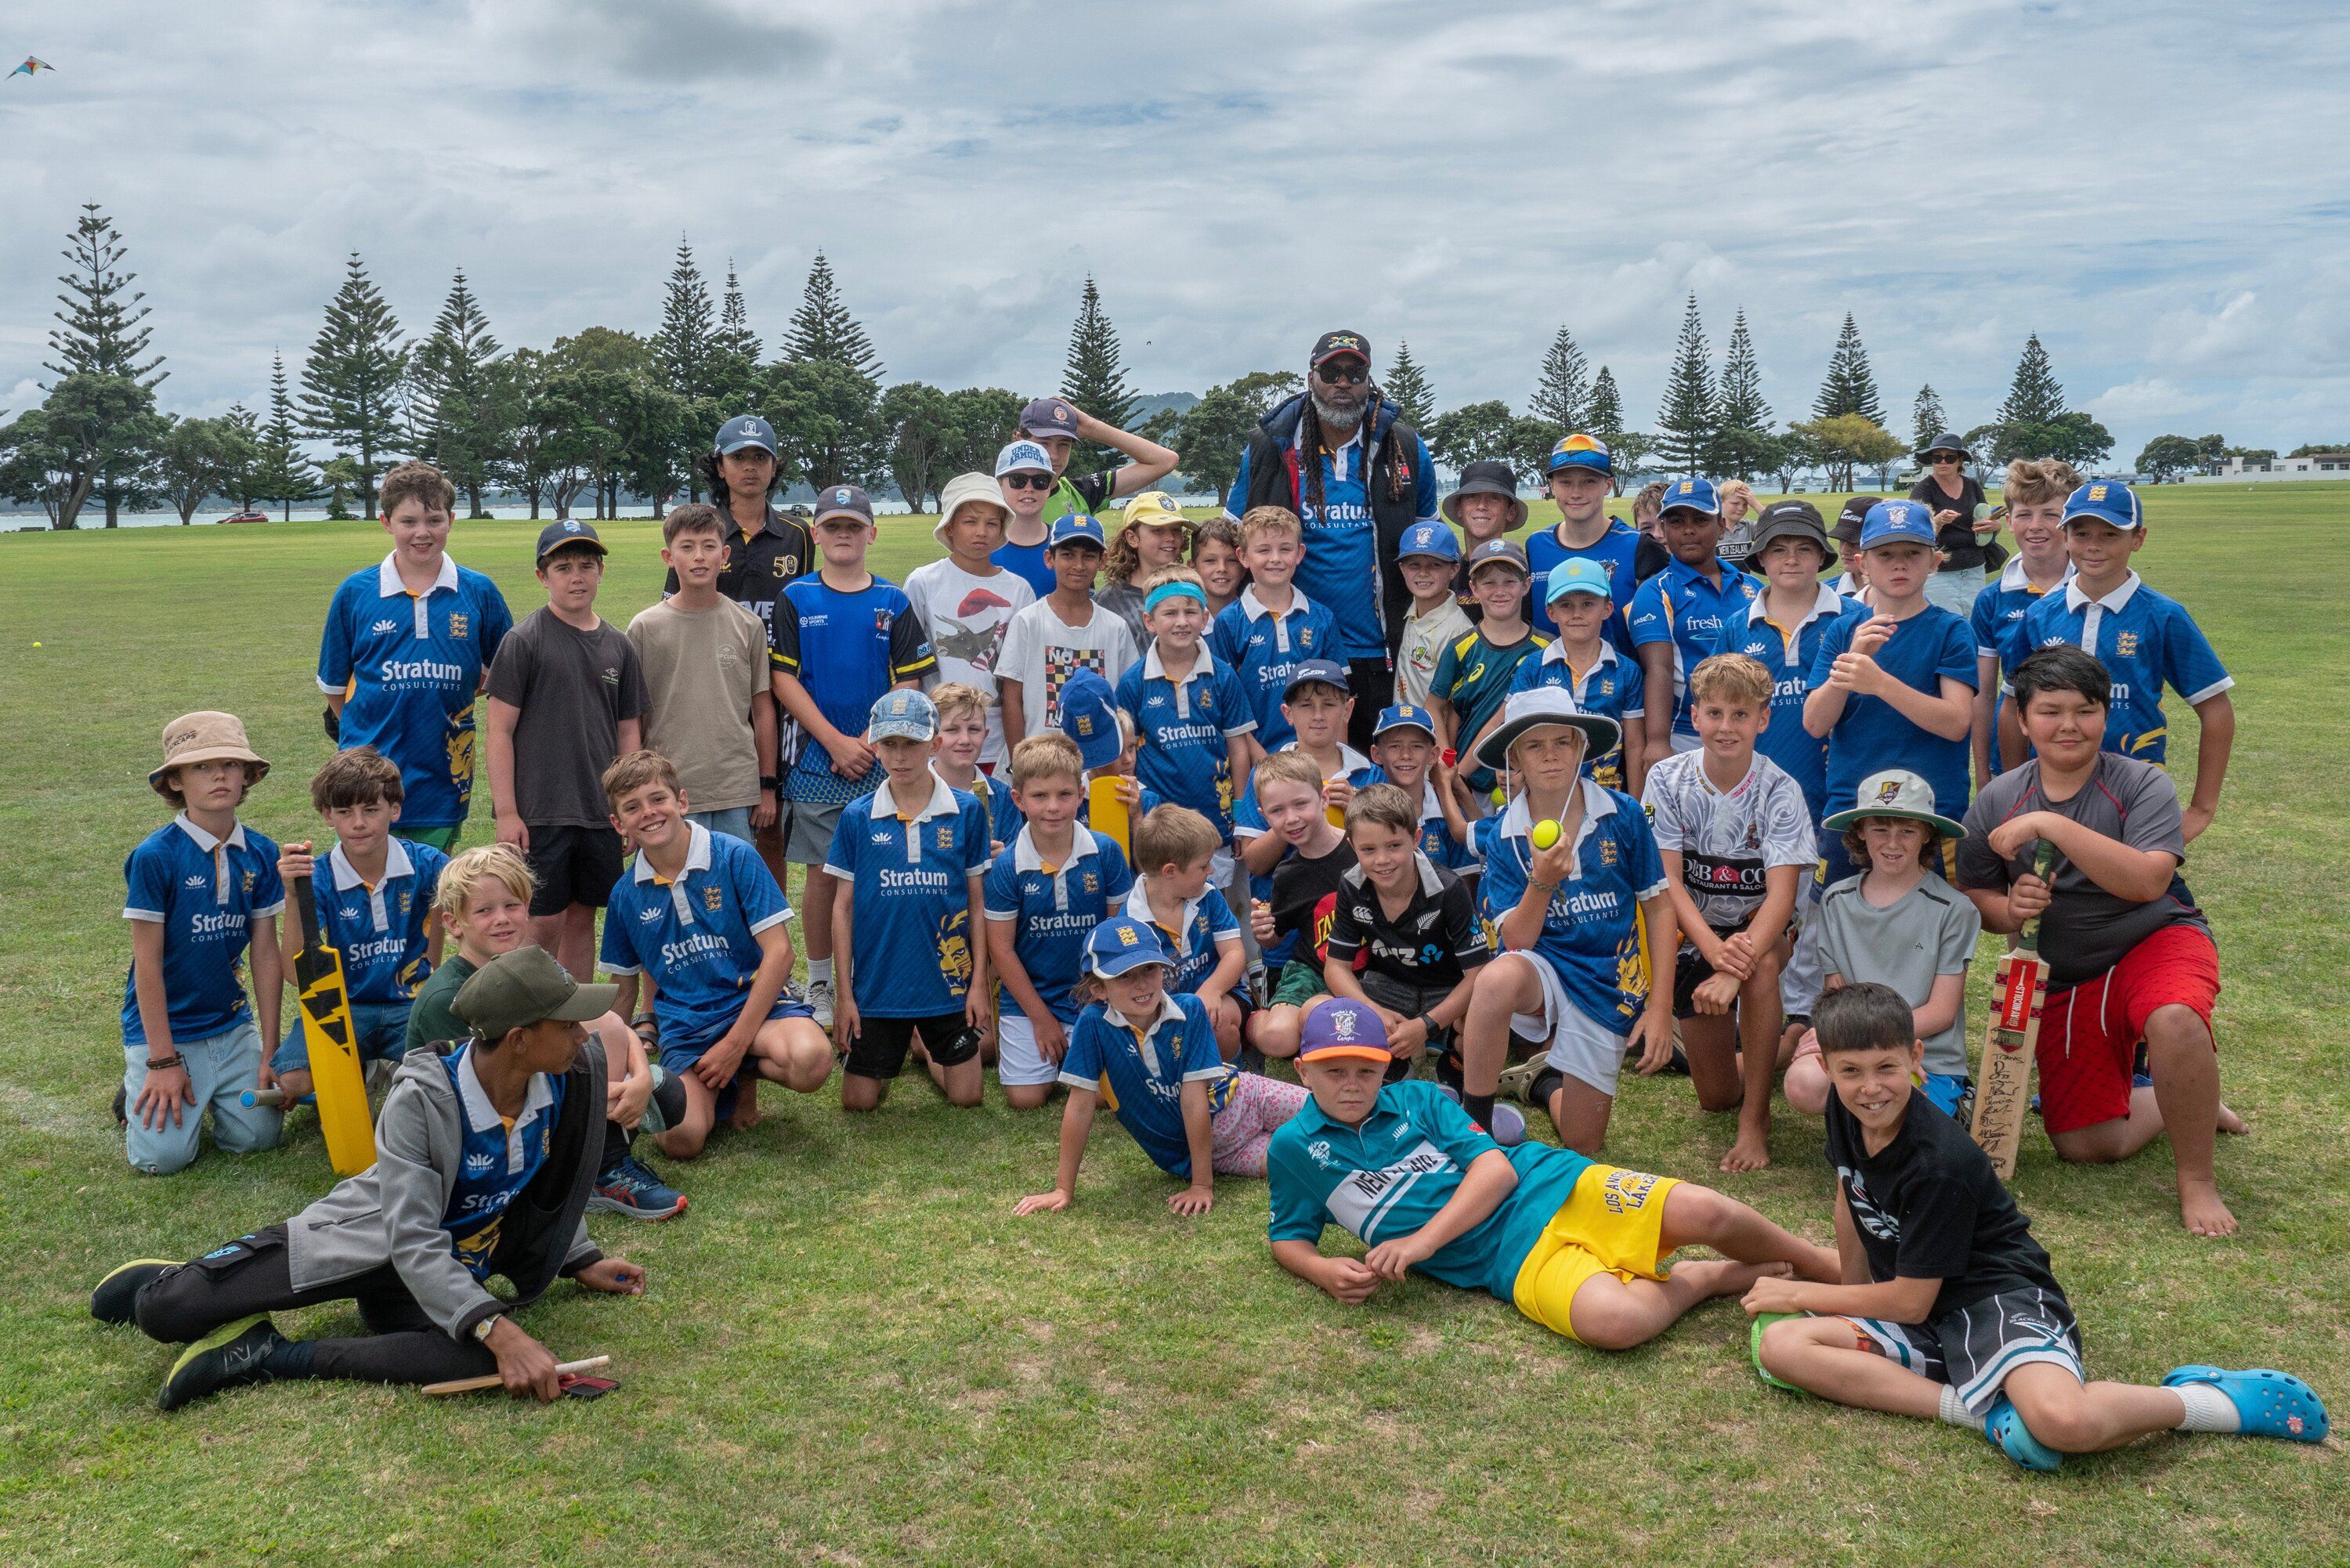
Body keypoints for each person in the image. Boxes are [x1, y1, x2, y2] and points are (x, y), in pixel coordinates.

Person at [1746, 983, 2326, 1470]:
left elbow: (1910, 1303)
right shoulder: (1844, 1110)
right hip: (1923, 1307)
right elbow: (1851, 1195)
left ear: (1916, 1057)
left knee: (2062, 1421)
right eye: (1851, 1072)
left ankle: (2211, 1401)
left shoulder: (1939, 1162)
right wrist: (1851, 1299)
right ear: (1826, 1069)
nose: (1870, 1088)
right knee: (1783, 1346)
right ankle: (1983, 1415)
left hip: (1991, 1298)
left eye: (1886, 1068)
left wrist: (1803, 1294)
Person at [92, 946, 649, 1409]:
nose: (583, 1035)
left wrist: (578, 1257)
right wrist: (499, 1329)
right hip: (370, 1236)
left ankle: (270, 1355)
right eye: (567, 1024)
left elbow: (548, 1186)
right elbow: (411, 1239)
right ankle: (182, 1276)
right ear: (519, 1039)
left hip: (439, 1272)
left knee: (480, 1354)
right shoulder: (422, 1098)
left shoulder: (569, 1077)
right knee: (165, 1311)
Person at [1267, 999, 1843, 1351]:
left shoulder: (1417, 1098)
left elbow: (1496, 1171)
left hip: (1548, 1182)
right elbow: (1289, 1237)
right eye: (1333, 1072)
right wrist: (1321, 1270)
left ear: (1385, 1068)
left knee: (1707, 1211)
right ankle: (1704, 1279)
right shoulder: (1294, 1148)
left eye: (1366, 1071)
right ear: (1301, 1071)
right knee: (1616, 1323)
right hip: (1505, 1258)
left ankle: (1823, 1265)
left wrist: (1420, 1243)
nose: (1351, 1085)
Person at [1956, 646, 2243, 1237]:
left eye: (2085, 710)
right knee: (2086, 1144)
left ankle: (2196, 1180)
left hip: (2154, 938)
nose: (2069, 725)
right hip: (2065, 972)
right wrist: (2009, 908)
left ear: (2105, 715)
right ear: (2022, 719)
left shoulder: (2141, 783)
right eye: (2050, 711)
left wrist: (2052, 825)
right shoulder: (1997, 799)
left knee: (2174, 1017)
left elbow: (2148, 881)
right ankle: (2184, 1096)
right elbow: (1976, 895)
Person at [405, 844, 681, 1222]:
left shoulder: (529, 966)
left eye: (512, 905)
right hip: (474, 1129)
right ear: (453, 923)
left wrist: (643, 1079)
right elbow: (479, 1095)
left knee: (664, 1091)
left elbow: (609, 1022)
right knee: (602, 1076)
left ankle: (601, 1144)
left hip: (526, 1090)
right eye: (484, 911)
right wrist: (589, 1096)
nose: (502, 919)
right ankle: (600, 1166)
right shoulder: (449, 998)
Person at [1462, 689, 1675, 1152]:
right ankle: (1473, 1128)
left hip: (1608, 980)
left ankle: (1541, 1084)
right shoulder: (1504, 834)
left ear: (1582, 746)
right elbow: (1516, 940)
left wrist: (1660, 1008)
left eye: (1562, 741)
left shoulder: (1624, 813)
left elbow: (1659, 909)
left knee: (1584, 1144)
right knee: (1495, 981)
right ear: (1514, 757)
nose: (1551, 755)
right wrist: (1541, 882)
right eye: (1535, 746)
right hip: (1542, 968)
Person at [598, 751, 833, 1158]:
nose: (649, 813)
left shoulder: (734, 855)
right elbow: (622, 992)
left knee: (811, 1060)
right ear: (619, 824)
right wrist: (609, 1070)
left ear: (682, 801)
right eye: (632, 808)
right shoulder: (624, 895)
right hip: (687, 1027)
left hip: (754, 1008)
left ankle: (741, 1073)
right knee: (680, 1142)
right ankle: (704, 1083)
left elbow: (780, 954)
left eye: (658, 799)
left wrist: (733, 1046)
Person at [769, 483, 938, 1029]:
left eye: (853, 526)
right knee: (823, 875)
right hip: (816, 760)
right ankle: (821, 982)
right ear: (816, 535)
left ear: (872, 533)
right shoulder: (796, 597)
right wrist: (835, 742)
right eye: (833, 527)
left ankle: (875, 978)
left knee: (880, 872)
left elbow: (908, 679)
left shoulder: (893, 600)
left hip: (879, 759)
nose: (844, 535)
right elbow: (783, 679)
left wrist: (868, 740)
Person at [1225, 331, 1442, 745]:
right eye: (1331, 372)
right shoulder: (1271, 447)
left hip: (1382, 650)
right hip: (1295, 653)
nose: (1343, 383)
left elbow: (1431, 542)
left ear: (1369, 381)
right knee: (1302, 773)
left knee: (1376, 771)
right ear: (1311, 378)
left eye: (1355, 373)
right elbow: (1229, 540)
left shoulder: (1404, 447)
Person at [1643, 654, 1815, 1172]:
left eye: (1741, 715)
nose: (1726, 727)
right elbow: (1668, 881)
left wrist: (1732, 966)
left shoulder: (1781, 790)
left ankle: (1756, 1118)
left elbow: (1782, 898)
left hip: (1764, 929)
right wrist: (1713, 953)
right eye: (1714, 713)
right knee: (1716, 1096)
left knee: (1760, 972)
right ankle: (1783, 1045)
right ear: (1694, 716)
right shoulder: (1666, 779)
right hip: (1697, 933)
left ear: (1763, 719)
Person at [1014, 918, 1310, 1216]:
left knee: (1331, 1114)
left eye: (1149, 969)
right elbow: (1079, 1107)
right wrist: (1063, 1189)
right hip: (1216, 1154)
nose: (1142, 983)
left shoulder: (1190, 1009)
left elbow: (1193, 1100)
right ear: (1099, 989)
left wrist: (1202, 1185)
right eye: (1125, 976)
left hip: (1249, 1099)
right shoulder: (1092, 1025)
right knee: (1314, 1160)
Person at [1712, 501, 1861, 1048]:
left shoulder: (1852, 618)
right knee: (1760, 905)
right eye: (1778, 549)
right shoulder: (1738, 624)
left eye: (1803, 548)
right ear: (1760, 557)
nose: (1791, 559)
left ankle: (1805, 1014)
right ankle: (1754, 1010)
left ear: (1823, 556)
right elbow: (1718, 711)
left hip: (1830, 792)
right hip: (1757, 797)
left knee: (1819, 907)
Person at [118, 712, 286, 1176]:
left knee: (260, 1138)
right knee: (163, 1159)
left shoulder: (262, 852)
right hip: (167, 1034)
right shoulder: (155, 856)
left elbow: (265, 953)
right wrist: (161, 1061)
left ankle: (215, 1081)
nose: (219, 776)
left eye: (231, 764)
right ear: (175, 780)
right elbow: (147, 966)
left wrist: (269, 1051)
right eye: (201, 767)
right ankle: (139, 1080)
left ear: (247, 775)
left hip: (231, 1025)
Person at [2019, 481, 2235, 841]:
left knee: (2134, 874)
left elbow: (2216, 709)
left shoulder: (2163, 615)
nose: (2094, 545)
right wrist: (2014, 788)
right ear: (2065, 537)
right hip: (2050, 787)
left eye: (2110, 534)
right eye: (2082, 533)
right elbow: (2015, 705)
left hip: (2134, 791)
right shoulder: (2040, 615)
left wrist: (2202, 809)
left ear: (2138, 538)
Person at [316, 460, 512, 854]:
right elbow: (335, 689)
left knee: (432, 883)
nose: (422, 532)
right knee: (366, 880)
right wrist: (368, 736)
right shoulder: (355, 593)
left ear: (451, 521)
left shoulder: (479, 592)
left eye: (434, 520)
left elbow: (508, 680)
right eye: (408, 521)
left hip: (443, 779)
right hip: (365, 783)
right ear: (386, 523)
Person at [484, 519, 646, 981]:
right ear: (543, 576)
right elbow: (498, 732)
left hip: (598, 811)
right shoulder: (524, 641)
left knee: (583, 917)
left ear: (600, 572)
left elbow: (628, 732)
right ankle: (528, 1009)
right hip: (542, 811)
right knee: (542, 919)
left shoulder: (618, 646)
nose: (577, 577)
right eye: (563, 568)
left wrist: (627, 806)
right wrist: (507, 812)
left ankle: (573, 1011)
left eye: (586, 566)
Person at [1781, 770, 1978, 1134]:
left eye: (1907, 831)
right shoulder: (1837, 900)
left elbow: (1941, 1012)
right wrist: (1835, 1036)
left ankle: (1949, 1102)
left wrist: (1880, 1048)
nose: (1893, 843)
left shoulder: (1954, 909)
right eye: (1880, 829)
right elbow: (1837, 992)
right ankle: (1866, 1118)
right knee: (1803, 1083)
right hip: (1856, 1046)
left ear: (1927, 834)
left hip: (1924, 1053)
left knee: (1910, 1133)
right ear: (1859, 831)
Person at [826, 690, 994, 1113]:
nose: (900, 756)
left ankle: (923, 1050)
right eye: (889, 744)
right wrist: (845, 996)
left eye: (912, 744)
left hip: (948, 985)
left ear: (934, 744)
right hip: (878, 988)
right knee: (859, 1104)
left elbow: (977, 903)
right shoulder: (857, 817)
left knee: (967, 1097)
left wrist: (978, 985)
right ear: (875, 746)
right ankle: (896, 1053)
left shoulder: (967, 812)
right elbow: (842, 909)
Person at [1802, 500, 1976, 888]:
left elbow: (1956, 722)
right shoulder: (1843, 631)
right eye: (1885, 555)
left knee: (1929, 921)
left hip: (1930, 813)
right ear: (1862, 563)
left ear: (1934, 561)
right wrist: (1853, 661)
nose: (1900, 565)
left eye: (1913, 553)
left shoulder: (1951, 630)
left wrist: (1880, 683)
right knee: (1836, 918)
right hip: (1852, 811)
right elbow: (1814, 723)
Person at [674, 415, 815, 894]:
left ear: (775, 467)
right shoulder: (701, 530)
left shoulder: (797, 534)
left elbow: (803, 608)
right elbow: (677, 609)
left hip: (778, 691)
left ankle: (767, 924)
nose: (750, 467)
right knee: (702, 825)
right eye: (738, 458)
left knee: (769, 822)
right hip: (716, 687)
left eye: (760, 457)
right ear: (721, 466)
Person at [268, 748, 448, 1108]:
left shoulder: (429, 864)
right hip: (343, 1008)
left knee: (449, 1063)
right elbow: (294, 974)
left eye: (370, 810)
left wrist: (430, 981)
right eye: (344, 812)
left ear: (394, 810)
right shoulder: (317, 877)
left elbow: (443, 933)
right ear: (327, 816)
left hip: (410, 1005)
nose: (358, 823)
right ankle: (361, 1069)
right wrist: (294, 895)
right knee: (293, 1079)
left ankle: (394, 1067)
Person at [985, 734, 1134, 1111]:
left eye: (1064, 795)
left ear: (1081, 794)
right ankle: (1053, 1051)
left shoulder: (1106, 852)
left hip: (1093, 994)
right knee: (1025, 1099)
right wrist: (1041, 1019)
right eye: (1040, 796)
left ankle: (1077, 1051)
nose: (1053, 807)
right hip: (1031, 1000)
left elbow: (1117, 935)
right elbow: (1001, 950)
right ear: (1018, 799)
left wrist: (1101, 994)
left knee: (1104, 1098)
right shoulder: (1007, 867)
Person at [1319, 783, 1491, 1082]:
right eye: (1368, 849)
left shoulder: (1449, 888)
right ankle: (1395, 1063)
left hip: (1446, 993)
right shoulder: (1350, 884)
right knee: (1317, 1010)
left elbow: (1478, 974)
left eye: (1394, 846)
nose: (1382, 860)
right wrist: (1373, 1011)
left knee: (1482, 1012)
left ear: (1416, 839)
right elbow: (1336, 967)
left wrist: (1427, 1025)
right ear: (1352, 846)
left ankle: (1451, 1064)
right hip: (1388, 991)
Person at [628, 503, 775, 847]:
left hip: (734, 789)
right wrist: (635, 791)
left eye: (709, 546)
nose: (699, 557)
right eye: (687, 547)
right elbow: (632, 719)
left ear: (724, 555)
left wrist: (767, 785)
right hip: (665, 789)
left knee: (731, 877)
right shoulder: (645, 628)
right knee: (673, 876)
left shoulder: (748, 625)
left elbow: (762, 709)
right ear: (668, 557)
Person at [1112, 568, 1259, 876]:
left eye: (1190, 612)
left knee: (1215, 899)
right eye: (1170, 613)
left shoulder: (1223, 677)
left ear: (1204, 619)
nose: (1181, 621)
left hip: (1216, 823)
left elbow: (1238, 750)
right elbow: (1125, 752)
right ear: (1149, 621)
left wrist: (1241, 815)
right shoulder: (1133, 682)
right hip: (1158, 824)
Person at [904, 471, 1035, 769]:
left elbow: (1019, 678)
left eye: (992, 523)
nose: (982, 532)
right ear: (950, 527)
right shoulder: (924, 582)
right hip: (937, 739)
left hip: (996, 741)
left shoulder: (1019, 590)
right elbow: (910, 666)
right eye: (970, 522)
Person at [1629, 477, 1762, 762]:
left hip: (1753, 730)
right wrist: (1657, 741)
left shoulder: (1752, 587)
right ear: (1664, 530)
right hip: (1686, 735)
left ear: (1721, 527)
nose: (1688, 530)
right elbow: (1659, 670)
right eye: (1677, 522)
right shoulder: (1656, 591)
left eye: (1700, 520)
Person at [1242, 752, 1361, 1059]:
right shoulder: (1287, 874)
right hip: (1311, 969)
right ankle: (1254, 1019)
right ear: (1264, 816)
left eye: (1300, 804)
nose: (1292, 818)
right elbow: (1275, 938)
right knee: (1278, 1039)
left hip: (1367, 967)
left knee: (1334, 1023)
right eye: (1277, 810)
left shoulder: (1361, 848)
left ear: (1323, 799)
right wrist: (1264, 931)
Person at [1971, 458, 2077, 779]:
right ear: (2009, 522)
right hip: (2011, 758)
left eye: (2050, 514)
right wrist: (1984, 773)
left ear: (2070, 520)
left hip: (2085, 754)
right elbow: (1984, 695)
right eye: (2024, 514)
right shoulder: (1992, 599)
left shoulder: (2094, 588)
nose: (2036, 525)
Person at [996, 513, 1141, 744]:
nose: (1079, 565)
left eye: (1089, 556)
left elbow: (1127, 698)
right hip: (1041, 755)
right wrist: (1019, 758)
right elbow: (1012, 698)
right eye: (1068, 555)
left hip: (1100, 755)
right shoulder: (1028, 622)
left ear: (1102, 561)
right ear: (1049, 558)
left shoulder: (1115, 628)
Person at [1509, 558, 1645, 793]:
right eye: (1566, 606)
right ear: (1551, 612)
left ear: (1607, 609)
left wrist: (1635, 803)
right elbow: (1513, 732)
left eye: (1588, 604)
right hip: (1543, 793)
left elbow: (1634, 745)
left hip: (1605, 794)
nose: (1577, 614)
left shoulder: (1626, 671)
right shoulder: (1533, 666)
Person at [1211, 504, 1341, 751]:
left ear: (1299, 553)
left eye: (1285, 549)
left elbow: (1338, 700)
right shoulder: (1229, 621)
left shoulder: (1322, 618)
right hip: (1258, 756)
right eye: (1263, 550)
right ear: (1243, 556)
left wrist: (1334, 761)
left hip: (1314, 757)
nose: (1275, 559)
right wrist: (1260, 760)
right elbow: (1228, 706)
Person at [1430, 539, 1547, 808]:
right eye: (1489, 583)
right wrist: (1448, 763)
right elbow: (1433, 706)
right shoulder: (1461, 647)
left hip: (1529, 781)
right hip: (1471, 784)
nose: (1499, 591)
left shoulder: (1546, 648)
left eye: (1510, 582)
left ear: (1526, 585)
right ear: (1473, 588)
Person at [1122, 804, 1249, 1052]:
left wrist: (1212, 990)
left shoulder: (1209, 896)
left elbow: (1234, 954)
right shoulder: (1131, 922)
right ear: (1170, 871)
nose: (1211, 871)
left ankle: (1231, 1071)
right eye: (1203, 866)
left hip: (1220, 993)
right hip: (1162, 1009)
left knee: (1215, 1022)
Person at [1527, 438, 1664, 644]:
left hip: (1620, 665)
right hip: (1545, 666)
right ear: (1552, 485)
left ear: (1608, 484)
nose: (1576, 493)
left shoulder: (1638, 545)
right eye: (1565, 482)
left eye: (1589, 481)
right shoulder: (1536, 546)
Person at [1014, 393, 1184, 533]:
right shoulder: (1001, 498)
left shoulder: (1083, 493)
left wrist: (1092, 428)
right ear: (1019, 441)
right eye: (1044, 443)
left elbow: (1165, 461)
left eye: (1064, 444)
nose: (1054, 455)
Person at [1350, 703, 1476, 878]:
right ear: (1376, 754)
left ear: (1433, 755)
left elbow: (1466, 884)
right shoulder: (1362, 810)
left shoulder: (1449, 816)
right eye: (1395, 746)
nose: (1406, 755)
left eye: (1417, 746)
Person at [1910, 432, 2001, 616]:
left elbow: (1985, 518)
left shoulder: (1972, 486)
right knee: (1946, 621)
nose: (1943, 462)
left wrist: (1995, 527)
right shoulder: (1923, 490)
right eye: (1937, 458)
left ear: (1960, 461)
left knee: (1976, 619)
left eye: (1949, 458)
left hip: (1974, 567)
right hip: (1940, 571)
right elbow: (1915, 534)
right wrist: (1937, 522)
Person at [1096, 492, 1195, 651]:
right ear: (1132, 538)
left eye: (1176, 530)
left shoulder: (1191, 592)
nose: (1170, 537)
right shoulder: (1109, 602)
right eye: (1158, 530)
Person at [1392, 522, 1473, 710]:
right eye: (1414, 565)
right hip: (1404, 723)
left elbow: (1456, 706)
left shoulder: (1458, 631)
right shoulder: (1412, 613)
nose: (1423, 573)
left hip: (1432, 728)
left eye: (1435, 565)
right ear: (1402, 568)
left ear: (1454, 569)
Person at [1444, 458, 1528, 615]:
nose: (1481, 506)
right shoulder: (1445, 576)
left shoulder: (1522, 574)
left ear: (1511, 511)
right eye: (1472, 496)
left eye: (1493, 498)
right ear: (1459, 508)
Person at [989, 439, 1061, 599]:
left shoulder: (1064, 544)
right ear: (999, 485)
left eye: (1039, 481)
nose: (1029, 488)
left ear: (1048, 488)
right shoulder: (983, 546)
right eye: (1018, 480)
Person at [1190, 516, 1248, 618]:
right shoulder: (1183, 620)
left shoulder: (1255, 619)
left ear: (1243, 568)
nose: (1222, 568)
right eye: (1210, 561)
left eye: (1232, 560)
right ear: (1192, 568)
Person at [1716, 479, 1762, 568]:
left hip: (1743, 577)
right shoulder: (1713, 528)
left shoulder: (1748, 527)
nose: (1741, 508)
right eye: (1735, 503)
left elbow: (1776, 524)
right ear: (1720, 502)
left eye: (1745, 504)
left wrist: (1755, 503)